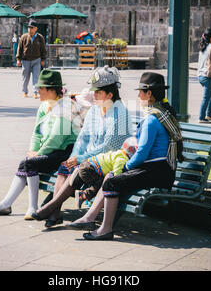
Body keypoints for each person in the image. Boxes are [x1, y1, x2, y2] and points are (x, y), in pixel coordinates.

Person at [67, 72, 184, 240]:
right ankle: (89, 218)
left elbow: (142, 153)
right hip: (159, 170)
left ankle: (105, 229)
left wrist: (125, 167)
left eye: (140, 92)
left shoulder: (152, 119)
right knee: (111, 177)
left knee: (113, 182)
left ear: (148, 93)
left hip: (158, 172)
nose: (138, 96)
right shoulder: (159, 113)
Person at [31, 65, 133, 227]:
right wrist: (74, 156)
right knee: (65, 167)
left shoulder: (120, 113)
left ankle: (50, 207)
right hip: (90, 159)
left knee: (78, 168)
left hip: (108, 163)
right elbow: (83, 138)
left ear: (110, 94)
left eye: (98, 92)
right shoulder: (94, 110)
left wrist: (81, 158)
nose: (94, 94)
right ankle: (55, 214)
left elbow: (108, 148)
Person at [0, 69, 84, 220]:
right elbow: (37, 132)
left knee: (29, 163)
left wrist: (39, 153)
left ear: (51, 90)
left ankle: (30, 207)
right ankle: (7, 204)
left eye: (40, 88)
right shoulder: (45, 106)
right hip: (50, 150)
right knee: (26, 162)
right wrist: (33, 150)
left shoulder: (66, 107)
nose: (37, 91)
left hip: (64, 152)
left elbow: (57, 138)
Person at [71, 136, 137, 209]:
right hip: (90, 170)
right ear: (132, 150)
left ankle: (78, 172)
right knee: (101, 185)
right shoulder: (122, 159)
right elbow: (116, 175)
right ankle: (83, 195)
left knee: (98, 179)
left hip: (88, 163)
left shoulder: (118, 153)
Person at [16, 20, 46, 99]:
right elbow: (20, 48)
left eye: (31, 28)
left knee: (36, 76)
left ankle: (35, 92)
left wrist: (43, 59)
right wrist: (18, 59)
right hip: (25, 60)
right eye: (28, 28)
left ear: (35, 28)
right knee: (25, 77)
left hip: (37, 60)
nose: (29, 29)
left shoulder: (40, 37)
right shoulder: (24, 37)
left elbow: (43, 49)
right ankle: (25, 91)